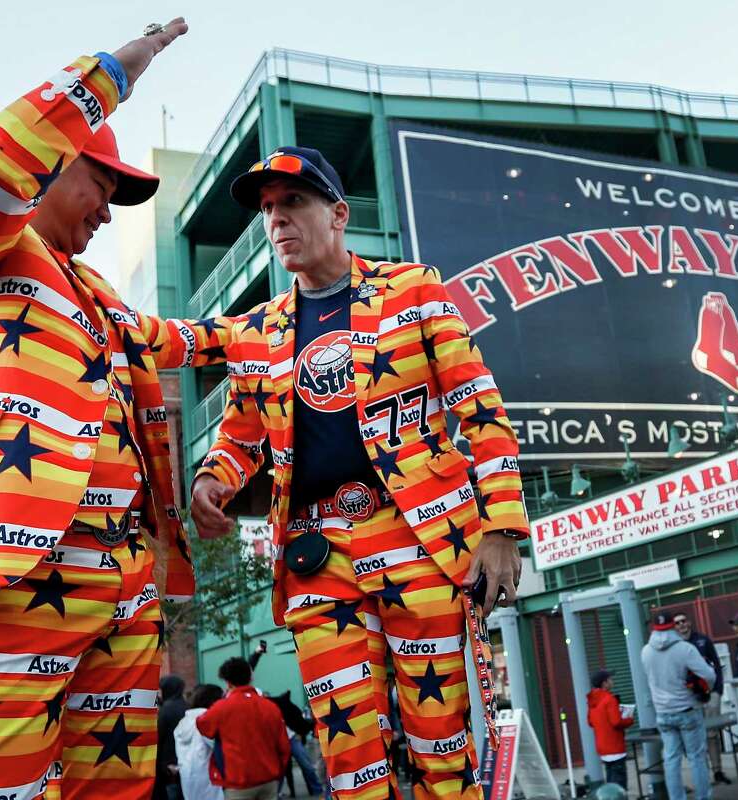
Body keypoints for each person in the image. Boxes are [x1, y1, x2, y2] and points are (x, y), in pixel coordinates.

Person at [0, 18, 237, 798]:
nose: (109, 213)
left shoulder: (98, 295)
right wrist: (113, 72)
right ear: (49, 160)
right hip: (5, 580)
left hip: (126, 582)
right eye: (102, 186)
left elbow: (181, 338)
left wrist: (302, 321)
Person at [189, 145, 529, 799]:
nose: (277, 220)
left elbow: (482, 412)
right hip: (319, 557)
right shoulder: (256, 333)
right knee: (349, 759)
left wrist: (501, 529)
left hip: (419, 537)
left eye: (294, 202)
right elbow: (240, 437)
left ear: (339, 214)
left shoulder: (416, 291)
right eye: (267, 209)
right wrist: (213, 480)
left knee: (441, 744)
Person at [641, 612, 716, 800]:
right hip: (687, 710)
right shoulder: (685, 649)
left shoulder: (646, 651)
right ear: (672, 626)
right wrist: (703, 689)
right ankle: (703, 797)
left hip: (663, 713)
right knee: (696, 758)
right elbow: (709, 676)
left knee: (671, 760)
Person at [195, 657, 290, 800]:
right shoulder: (270, 707)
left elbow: (203, 725)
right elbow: (284, 746)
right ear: (250, 677)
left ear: (227, 682)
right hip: (269, 779)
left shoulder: (221, 708)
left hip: (238, 782)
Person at [673, 613, 729, 786]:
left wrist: (718, 690)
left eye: (684, 620)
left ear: (689, 622)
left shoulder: (703, 641)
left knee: (712, 734)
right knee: (697, 737)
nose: (682, 625)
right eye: (677, 623)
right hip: (690, 698)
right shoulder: (675, 646)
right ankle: (702, 775)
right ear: (673, 627)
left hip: (710, 694)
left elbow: (716, 665)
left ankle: (717, 771)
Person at [175, 684, 225, 800]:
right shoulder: (207, 722)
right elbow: (223, 748)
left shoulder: (183, 723)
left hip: (188, 781)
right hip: (211, 780)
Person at [585, 670, 634, 791]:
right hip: (615, 746)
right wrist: (629, 719)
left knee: (611, 781)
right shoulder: (609, 699)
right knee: (619, 785)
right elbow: (616, 722)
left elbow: (590, 722)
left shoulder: (592, 700)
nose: (612, 681)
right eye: (610, 679)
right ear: (604, 683)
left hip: (603, 748)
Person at [268, 690, 321, 798]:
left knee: (307, 765)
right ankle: (276, 794)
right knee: (280, 771)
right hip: (280, 742)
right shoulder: (269, 712)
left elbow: (299, 722)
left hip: (292, 739)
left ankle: (317, 789)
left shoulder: (286, 708)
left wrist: (300, 733)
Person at [157, 675, 192, 799]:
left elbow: (158, 738)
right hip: (188, 763)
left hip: (169, 766)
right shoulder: (188, 706)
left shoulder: (165, 710)